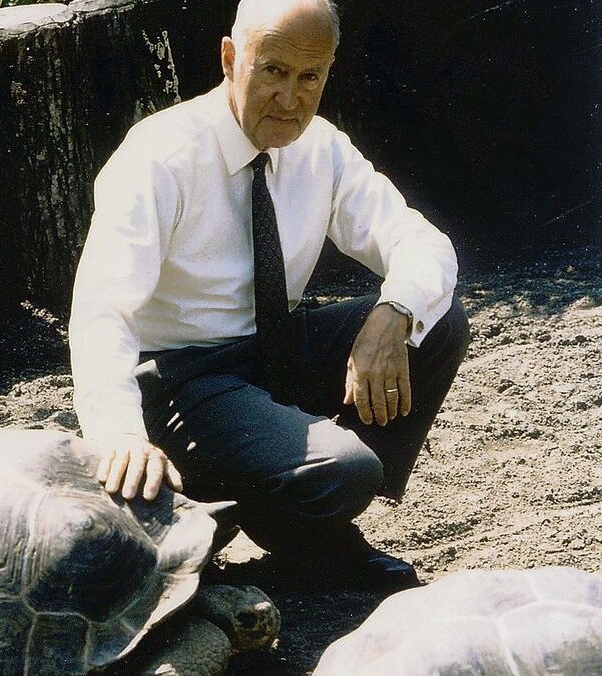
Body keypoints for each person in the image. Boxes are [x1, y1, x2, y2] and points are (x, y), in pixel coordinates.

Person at [69, 0, 470, 590]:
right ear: (231, 59)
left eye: (310, 77)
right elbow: (103, 309)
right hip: (184, 380)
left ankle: (307, 516)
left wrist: (396, 310)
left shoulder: (322, 149)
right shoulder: (159, 157)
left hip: (273, 351)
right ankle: (299, 514)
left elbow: (418, 239)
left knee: (436, 319)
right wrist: (120, 433)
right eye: (273, 72)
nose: (291, 98)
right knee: (345, 469)